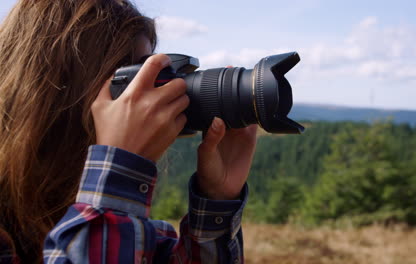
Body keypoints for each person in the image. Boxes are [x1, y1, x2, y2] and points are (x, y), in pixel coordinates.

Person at [0, 1, 257, 263]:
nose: (147, 101)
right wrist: (118, 173)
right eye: (132, 81)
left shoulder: (136, 234)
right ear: (58, 93)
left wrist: (216, 201)